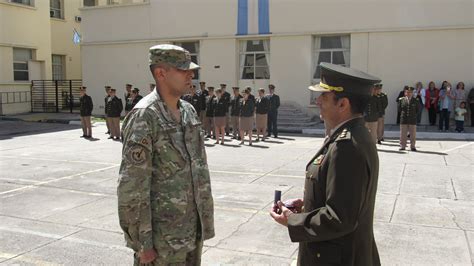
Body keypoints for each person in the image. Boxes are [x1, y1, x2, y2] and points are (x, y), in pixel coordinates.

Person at [270, 62, 381, 265]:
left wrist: (292, 220)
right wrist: (309, 204)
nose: (318, 101)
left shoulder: (347, 146)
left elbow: (340, 217)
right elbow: (346, 198)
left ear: (343, 104)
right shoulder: (353, 134)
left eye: (324, 96)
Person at [118, 44, 214, 266]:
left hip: (191, 232)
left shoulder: (188, 111)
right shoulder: (145, 116)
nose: (191, 75)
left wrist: (203, 223)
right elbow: (132, 188)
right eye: (183, 70)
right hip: (161, 243)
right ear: (161, 73)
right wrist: (142, 243)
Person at [398, 87, 419, 151]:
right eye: (407, 92)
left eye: (410, 92)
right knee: (403, 134)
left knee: (413, 134)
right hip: (404, 119)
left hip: (412, 119)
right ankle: (402, 146)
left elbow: (417, 110)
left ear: (412, 93)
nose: (409, 93)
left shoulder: (416, 100)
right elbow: (399, 109)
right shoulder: (401, 100)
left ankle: (413, 146)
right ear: (405, 93)